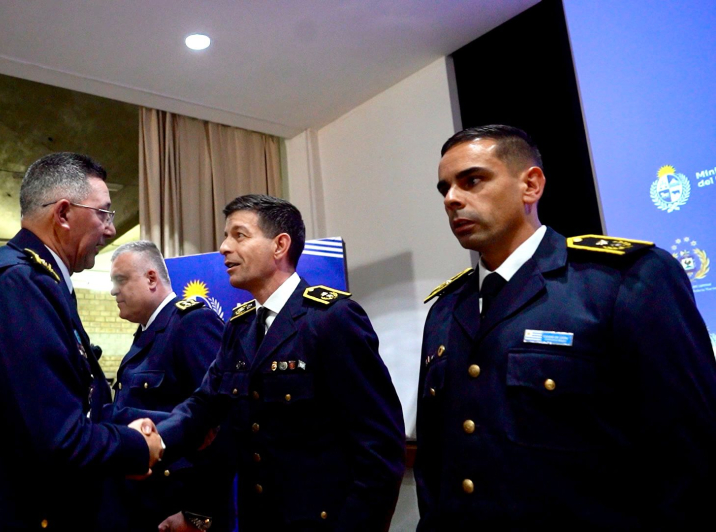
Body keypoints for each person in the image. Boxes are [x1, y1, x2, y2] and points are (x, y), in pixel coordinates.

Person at [416, 124, 716, 529]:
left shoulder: (622, 280)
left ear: (531, 186)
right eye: (445, 189)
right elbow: (437, 458)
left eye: (472, 180)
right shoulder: (447, 308)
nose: (452, 199)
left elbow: (690, 452)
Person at [0, 152, 163, 531]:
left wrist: (163, 425)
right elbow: (56, 438)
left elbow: (78, 404)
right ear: (62, 214)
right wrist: (136, 449)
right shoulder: (18, 285)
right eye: (103, 213)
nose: (110, 229)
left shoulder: (34, 279)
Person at [157, 194, 406, 531]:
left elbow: (379, 447)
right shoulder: (240, 326)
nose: (223, 247)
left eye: (239, 235)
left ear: (279, 246)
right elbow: (209, 407)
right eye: (226, 236)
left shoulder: (331, 319)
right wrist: (155, 440)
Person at [96, 240, 233, 531]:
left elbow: (221, 424)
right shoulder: (148, 332)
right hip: (144, 505)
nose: (113, 291)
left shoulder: (191, 323)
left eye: (121, 280)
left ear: (151, 278)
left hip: (177, 508)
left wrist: (199, 515)